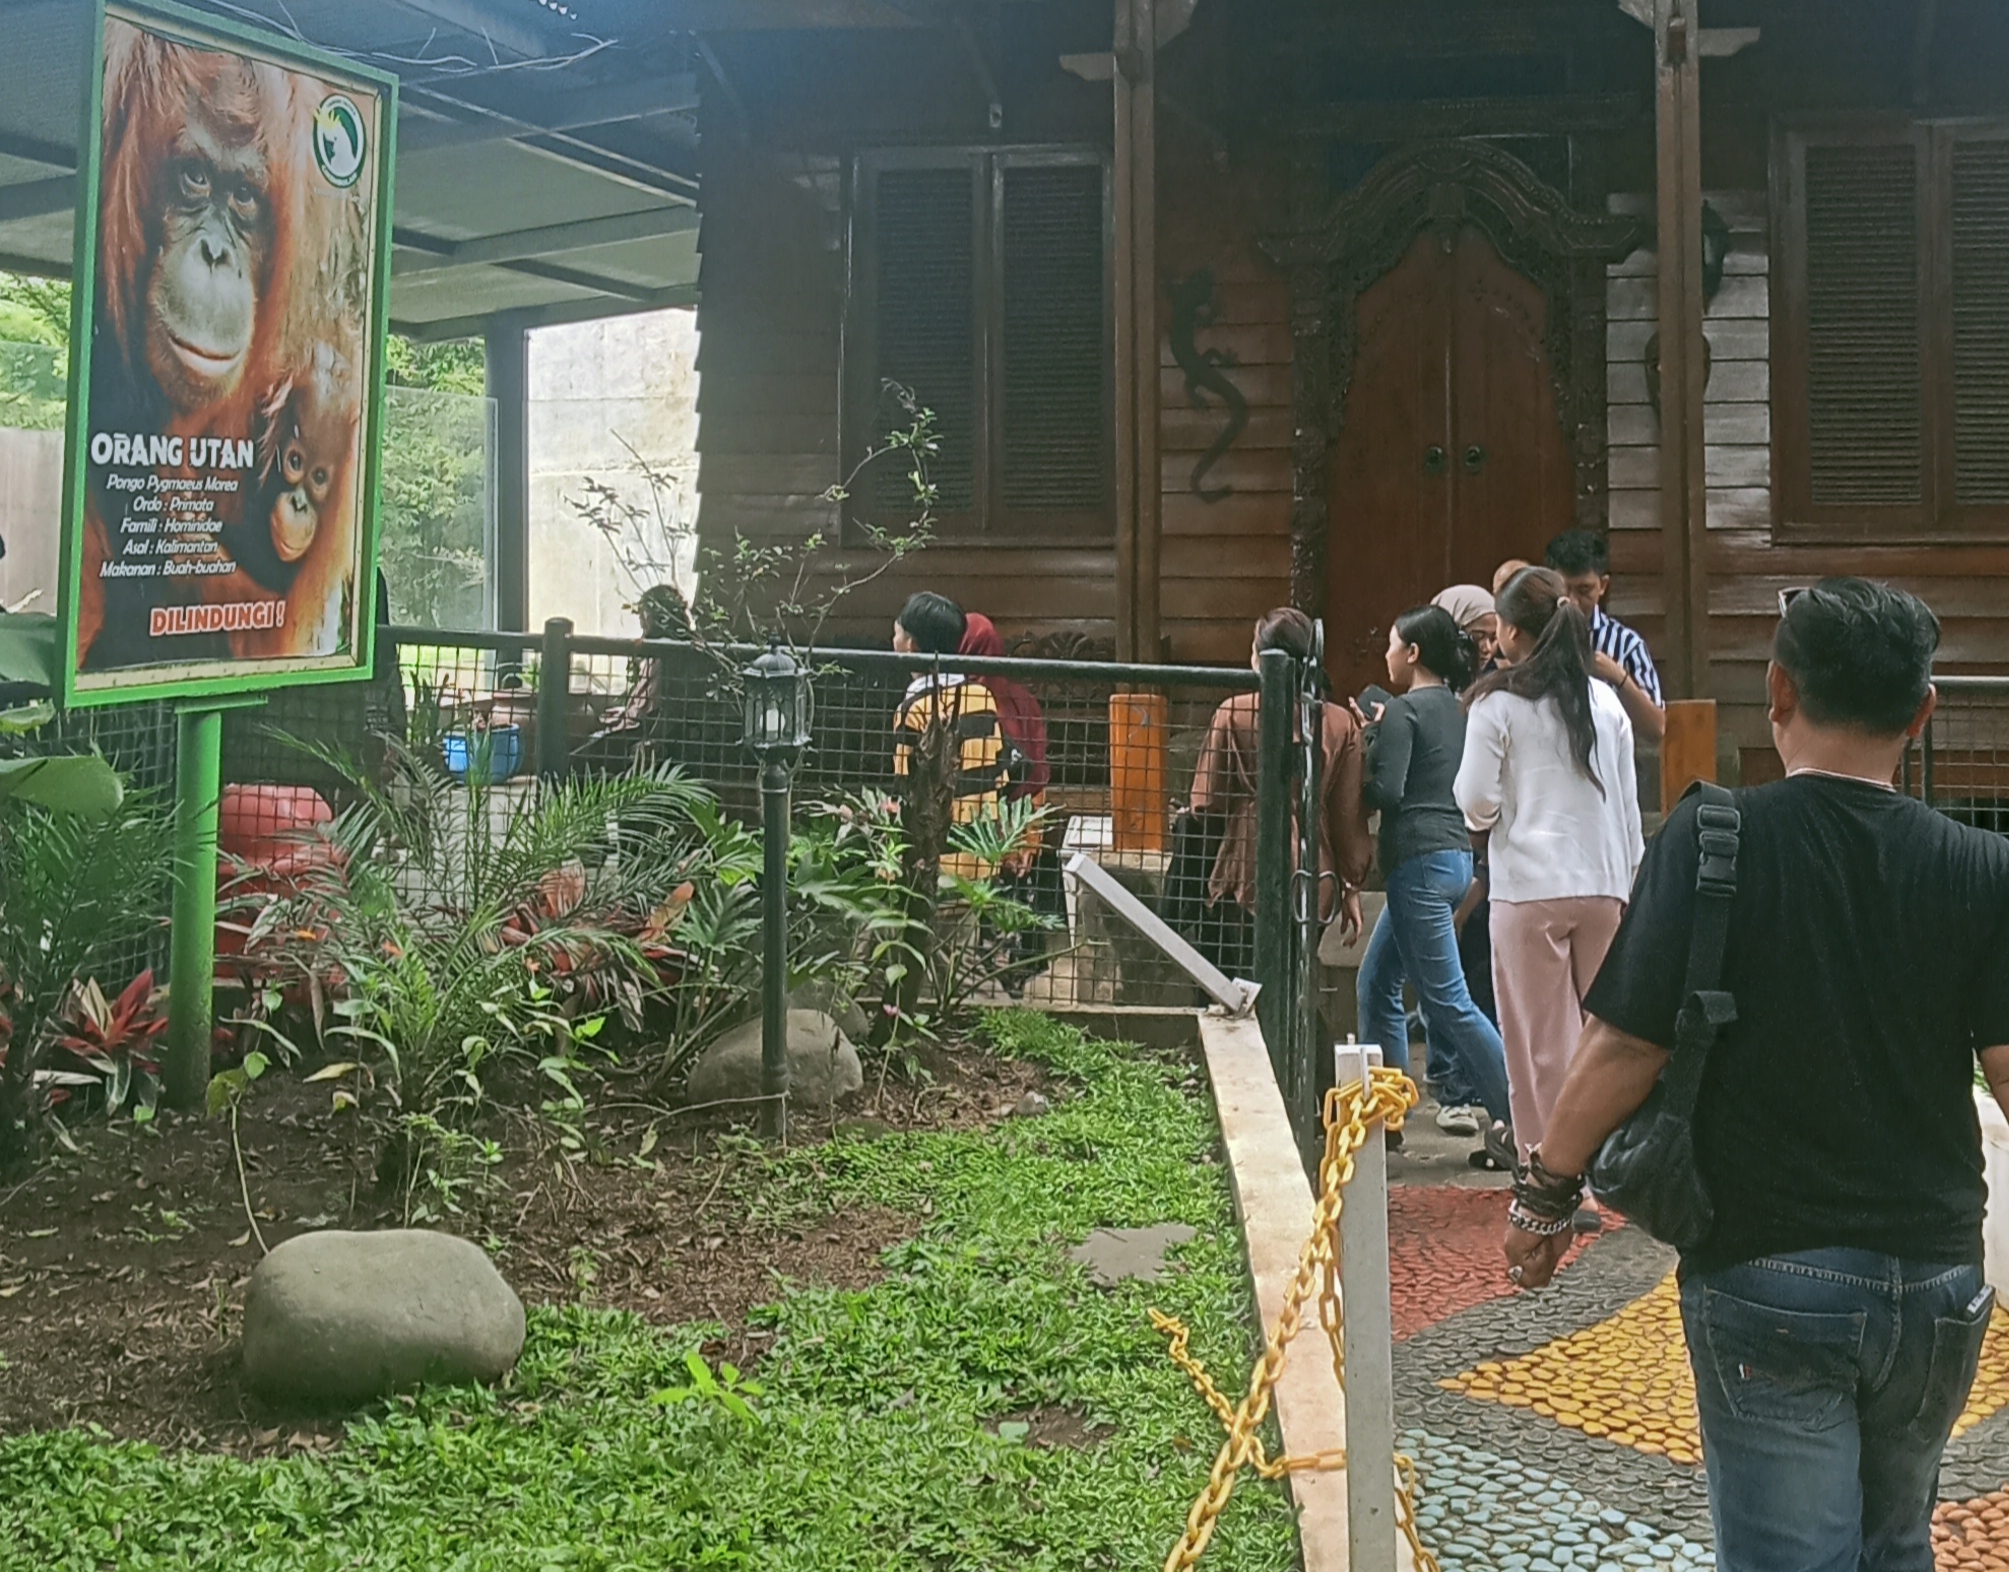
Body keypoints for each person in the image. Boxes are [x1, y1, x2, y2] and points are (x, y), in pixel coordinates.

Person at [1502, 578, 2009, 1572]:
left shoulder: (1711, 837)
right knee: (1893, 1543)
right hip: (1935, 1274)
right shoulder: (1980, 867)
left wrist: (1543, 1193)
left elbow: (1623, 1048)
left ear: (1777, 689)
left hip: (1767, 1269)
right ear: (1921, 711)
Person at [1456, 566, 1642, 1218]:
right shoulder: (1604, 701)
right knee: (1606, 1037)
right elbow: (1628, 808)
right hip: (1604, 882)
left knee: (1539, 1044)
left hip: (1529, 888)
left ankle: (1551, 1178)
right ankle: (1611, 1168)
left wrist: (1499, 814)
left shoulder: (1497, 703)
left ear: (1509, 630)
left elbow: (1474, 801)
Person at [1352, 606, 1511, 1136]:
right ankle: (1388, 1115)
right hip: (1456, 860)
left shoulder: (1402, 710)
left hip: (1417, 864)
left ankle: (1519, 1116)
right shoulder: (1462, 707)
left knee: (1448, 1003)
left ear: (1413, 652)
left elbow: (1387, 791)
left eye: (1392, 644)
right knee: (1377, 981)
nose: (1387, 654)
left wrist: (1368, 743)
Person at [1188, 608, 1372, 974]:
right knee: (1295, 976)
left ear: (1262, 657)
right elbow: (1347, 815)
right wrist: (1351, 885)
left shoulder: (1234, 712)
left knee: (1243, 976)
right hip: (1314, 866)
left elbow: (1206, 801)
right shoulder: (1339, 723)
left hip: (1245, 864)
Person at [1421, 584, 1504, 1137]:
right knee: (1446, 984)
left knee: (1473, 983)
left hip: (1482, 855)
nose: (1487, 647)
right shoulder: (1441, 694)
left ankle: (1484, 1092)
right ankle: (1451, 1085)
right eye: (1478, 636)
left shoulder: (1494, 691)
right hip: (1453, 846)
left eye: (1493, 636)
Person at [892, 591, 1012, 879]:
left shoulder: (913, 709)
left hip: (933, 865)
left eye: (896, 633)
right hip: (982, 858)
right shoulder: (982, 698)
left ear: (910, 645)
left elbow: (905, 792)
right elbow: (1000, 778)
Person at [1544, 528, 1665, 743]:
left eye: (1584, 590)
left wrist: (1619, 678)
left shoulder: (1627, 644)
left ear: (1603, 586)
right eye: (1564, 590)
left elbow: (1657, 728)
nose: (1573, 601)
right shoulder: (1534, 636)